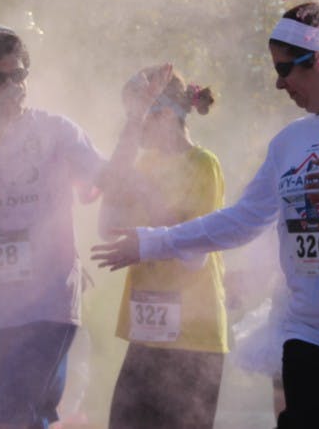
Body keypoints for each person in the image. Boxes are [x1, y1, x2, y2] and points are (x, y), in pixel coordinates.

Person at [93, 2, 319, 429]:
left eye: (284, 69)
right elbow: (242, 220)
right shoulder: (287, 142)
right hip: (310, 341)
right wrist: (152, 241)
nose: (279, 84)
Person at [0, 24, 105, 429]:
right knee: (31, 414)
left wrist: (136, 126)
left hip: (49, 301)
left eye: (19, 76)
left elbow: (106, 179)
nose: (12, 88)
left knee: (10, 413)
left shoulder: (57, 129)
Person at [99, 65, 228, 429]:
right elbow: (107, 226)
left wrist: (146, 193)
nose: (133, 127)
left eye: (138, 116)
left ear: (166, 115)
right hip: (146, 335)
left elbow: (195, 253)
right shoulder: (144, 163)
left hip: (193, 339)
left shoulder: (203, 164)